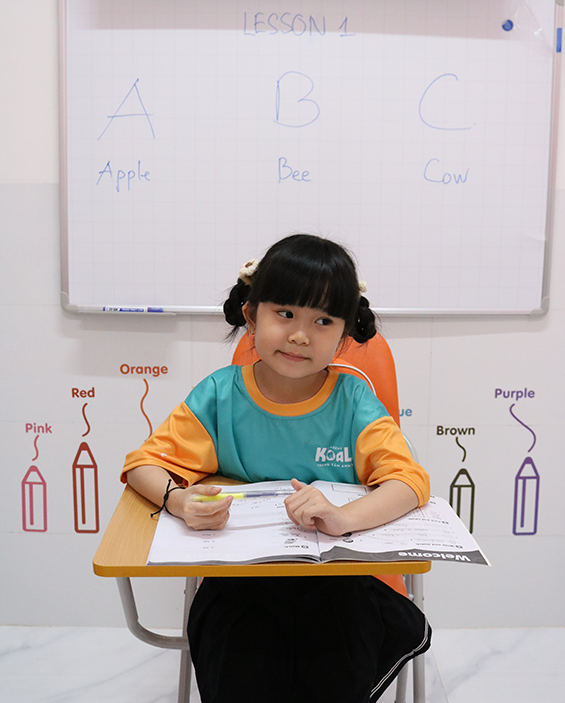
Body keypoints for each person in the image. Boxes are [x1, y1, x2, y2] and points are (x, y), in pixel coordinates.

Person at [121, 234, 432, 703]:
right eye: (285, 313)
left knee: (338, 659)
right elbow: (144, 464)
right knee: (238, 657)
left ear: (343, 335)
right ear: (252, 315)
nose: (300, 335)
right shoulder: (220, 395)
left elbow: (408, 481)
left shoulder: (353, 402)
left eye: (322, 321)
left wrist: (343, 517)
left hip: (337, 583)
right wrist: (180, 501)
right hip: (242, 584)